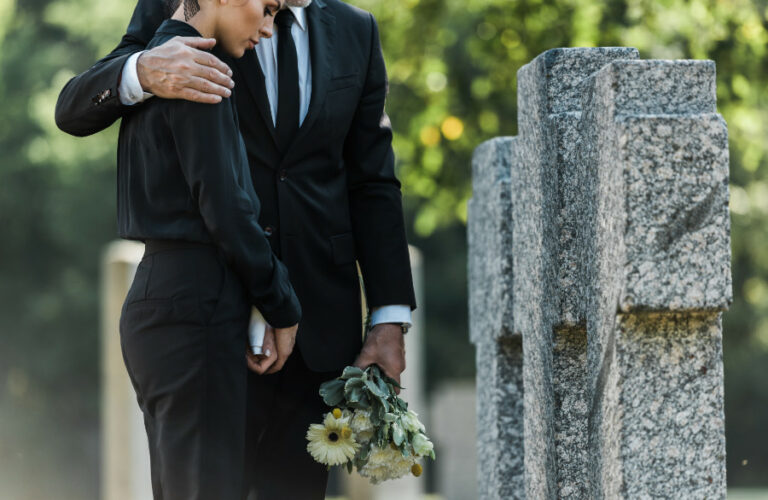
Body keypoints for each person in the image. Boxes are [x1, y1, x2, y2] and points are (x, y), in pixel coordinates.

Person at [55, 0, 418, 497]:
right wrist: (143, 70)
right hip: (210, 318)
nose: (267, 28)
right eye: (264, 10)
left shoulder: (357, 30)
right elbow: (74, 108)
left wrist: (388, 318)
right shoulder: (186, 12)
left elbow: (373, 182)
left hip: (318, 332)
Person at [115, 0, 301, 498]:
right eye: (265, 8)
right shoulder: (196, 70)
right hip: (193, 303)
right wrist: (282, 305)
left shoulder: (160, 63)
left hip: (165, 296)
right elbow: (227, 208)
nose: (267, 28)